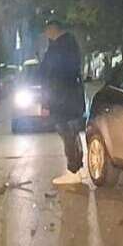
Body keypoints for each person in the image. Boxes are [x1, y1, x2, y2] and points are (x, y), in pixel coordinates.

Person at [39, 19, 87, 185]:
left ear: (52, 30)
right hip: (70, 99)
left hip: (61, 100)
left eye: (46, 31)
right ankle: (77, 168)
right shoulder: (69, 46)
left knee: (67, 133)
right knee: (71, 133)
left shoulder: (59, 49)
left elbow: (51, 78)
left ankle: (73, 170)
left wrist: (46, 103)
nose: (45, 35)